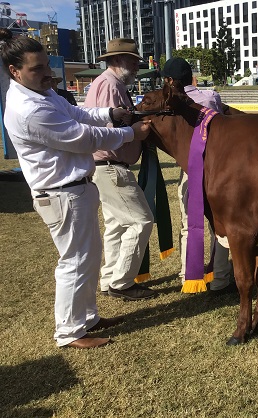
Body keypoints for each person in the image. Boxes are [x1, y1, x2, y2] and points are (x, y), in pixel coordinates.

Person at [0, 28, 151, 348]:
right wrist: (129, 133)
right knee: (74, 263)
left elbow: (77, 113)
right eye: (36, 68)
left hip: (73, 190)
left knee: (88, 258)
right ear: (15, 71)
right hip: (60, 192)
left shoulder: (41, 94)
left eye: (46, 65)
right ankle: (69, 331)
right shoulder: (30, 109)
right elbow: (83, 136)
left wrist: (109, 113)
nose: (46, 74)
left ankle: (87, 318)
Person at [84, 38, 157, 301]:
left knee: (116, 224)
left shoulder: (110, 84)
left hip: (108, 165)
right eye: (132, 60)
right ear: (116, 61)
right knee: (141, 220)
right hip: (111, 165)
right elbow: (105, 130)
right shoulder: (109, 85)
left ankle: (110, 279)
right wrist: (134, 132)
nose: (137, 65)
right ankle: (122, 282)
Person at [161, 57, 234, 295]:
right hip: (217, 171)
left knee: (187, 224)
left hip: (188, 171)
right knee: (219, 226)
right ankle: (220, 278)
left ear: (170, 81)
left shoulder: (167, 104)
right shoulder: (210, 97)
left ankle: (187, 276)